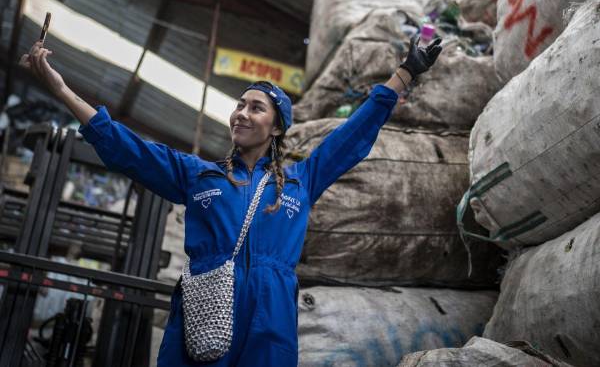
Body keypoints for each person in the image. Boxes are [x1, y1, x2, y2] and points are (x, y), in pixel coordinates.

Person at [21, 35, 442, 366]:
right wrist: (61, 89)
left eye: (256, 108)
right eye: (239, 104)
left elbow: (353, 136)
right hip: (205, 309)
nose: (241, 112)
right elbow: (128, 148)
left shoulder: (300, 181)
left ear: (277, 128)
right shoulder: (199, 174)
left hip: (272, 315)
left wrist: (404, 74)